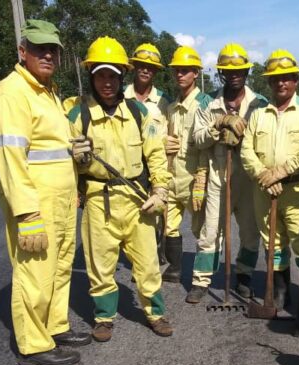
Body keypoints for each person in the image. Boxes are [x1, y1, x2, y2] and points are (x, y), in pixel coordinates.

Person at [0, 19, 89, 365]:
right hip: (35, 204)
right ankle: (33, 344)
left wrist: (75, 159)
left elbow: (50, 148)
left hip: (59, 199)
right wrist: (27, 215)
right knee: (35, 273)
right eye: (40, 48)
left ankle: (55, 326)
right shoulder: (11, 95)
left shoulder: (46, 92)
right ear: (22, 51)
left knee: (59, 267)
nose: (48, 55)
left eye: (53, 50)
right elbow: (11, 160)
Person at [68, 36, 174, 342]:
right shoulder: (79, 116)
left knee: (148, 263)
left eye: (112, 75)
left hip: (137, 198)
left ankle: (156, 313)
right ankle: (104, 318)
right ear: (91, 76)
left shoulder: (138, 113)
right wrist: (79, 161)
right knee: (100, 264)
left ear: (121, 77)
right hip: (100, 201)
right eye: (100, 74)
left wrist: (160, 191)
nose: (107, 82)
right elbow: (70, 167)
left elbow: (155, 154)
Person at [240, 49, 299, 308]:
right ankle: (280, 294)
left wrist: (281, 171)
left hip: (298, 188)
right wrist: (264, 175)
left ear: (296, 80)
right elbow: (246, 149)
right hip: (264, 189)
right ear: (269, 82)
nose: (281, 82)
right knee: (273, 244)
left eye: (287, 77)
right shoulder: (258, 113)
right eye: (276, 78)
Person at [186, 43, 267, 303]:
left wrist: (243, 136)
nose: (234, 75)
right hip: (217, 175)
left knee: (249, 232)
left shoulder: (259, 104)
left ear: (246, 72)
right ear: (221, 72)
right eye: (228, 71)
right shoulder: (207, 102)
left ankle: (243, 277)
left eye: (239, 70)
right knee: (210, 232)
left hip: (247, 178)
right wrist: (218, 124)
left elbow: (264, 142)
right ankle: (201, 280)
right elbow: (197, 139)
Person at [160, 45, 212, 283]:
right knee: (169, 225)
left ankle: (202, 277)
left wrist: (202, 176)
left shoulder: (205, 104)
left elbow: (208, 144)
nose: (180, 75)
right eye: (177, 71)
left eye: (185, 70)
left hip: (195, 177)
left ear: (196, 73)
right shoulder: (171, 107)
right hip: (173, 175)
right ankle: (175, 267)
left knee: (201, 229)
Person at [124, 42, 171, 266]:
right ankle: (137, 258)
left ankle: (154, 252)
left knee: (156, 210)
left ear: (156, 71)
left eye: (150, 67)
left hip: (155, 162)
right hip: (128, 163)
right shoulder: (120, 95)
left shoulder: (164, 101)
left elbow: (170, 132)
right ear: (134, 67)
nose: (145, 70)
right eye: (141, 65)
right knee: (132, 211)